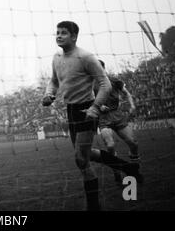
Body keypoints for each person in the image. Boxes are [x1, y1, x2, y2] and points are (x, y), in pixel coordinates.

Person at [42, 21, 142, 211]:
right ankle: (128, 168)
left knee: (81, 160)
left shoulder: (86, 57)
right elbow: (53, 81)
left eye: (64, 33)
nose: (59, 35)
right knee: (86, 155)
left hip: (87, 110)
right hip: (71, 110)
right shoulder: (56, 57)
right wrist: (49, 94)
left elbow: (106, 84)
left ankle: (94, 206)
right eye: (57, 32)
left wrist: (95, 107)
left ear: (74, 36)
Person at [96, 60, 142, 184]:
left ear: (103, 68)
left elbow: (127, 94)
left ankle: (135, 170)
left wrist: (132, 105)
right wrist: (99, 106)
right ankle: (116, 171)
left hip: (118, 116)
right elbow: (90, 101)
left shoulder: (115, 81)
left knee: (133, 143)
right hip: (103, 118)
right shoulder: (92, 85)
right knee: (110, 146)